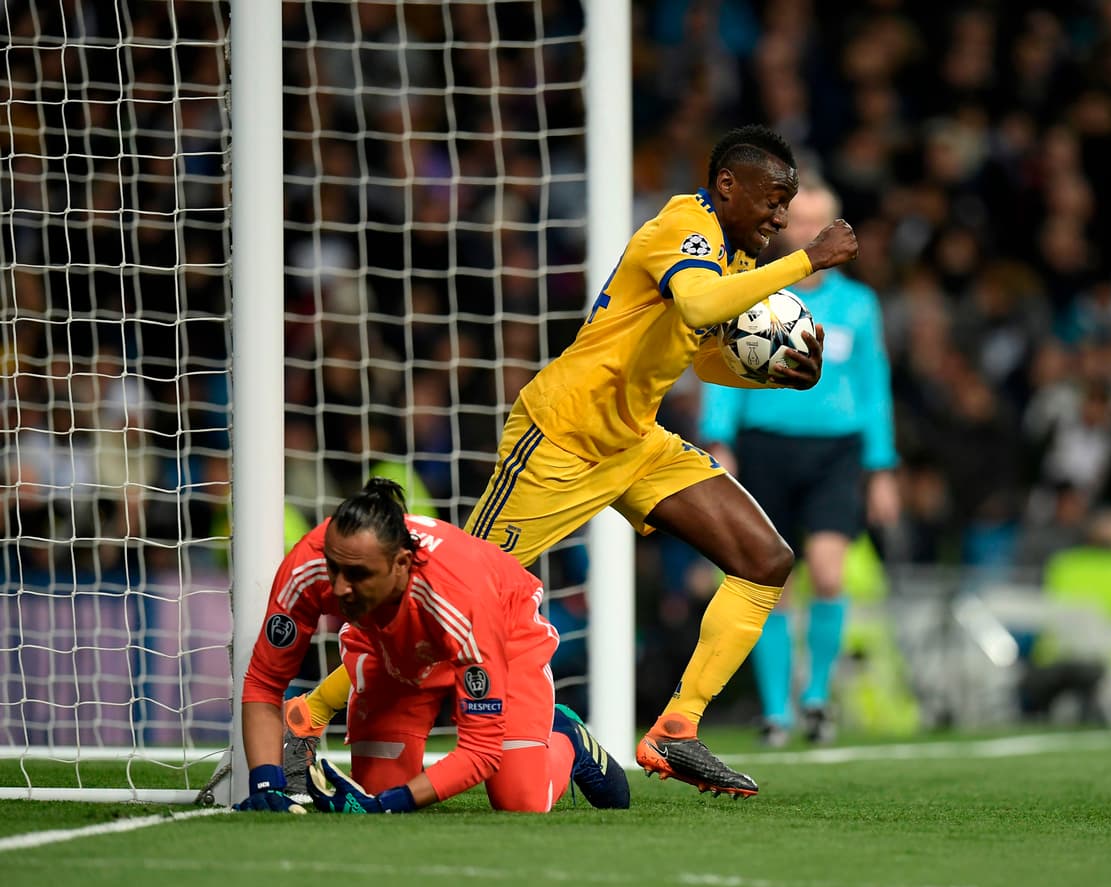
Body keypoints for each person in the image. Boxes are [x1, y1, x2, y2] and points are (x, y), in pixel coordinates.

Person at [284, 124, 861, 798]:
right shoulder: (686, 225)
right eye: (773, 200)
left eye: (787, 206)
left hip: (634, 441)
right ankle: (309, 712)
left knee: (765, 559)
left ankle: (676, 728)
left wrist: (777, 375)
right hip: (561, 437)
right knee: (450, 600)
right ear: (727, 186)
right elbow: (699, 302)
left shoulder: (732, 257)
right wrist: (807, 260)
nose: (780, 217)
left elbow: (701, 353)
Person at [233, 478, 629, 814]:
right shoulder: (310, 566)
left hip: (503, 634)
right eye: (333, 568)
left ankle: (568, 738)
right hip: (391, 650)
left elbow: (480, 750)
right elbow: (264, 682)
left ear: (402, 564)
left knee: (519, 800)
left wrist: (389, 804)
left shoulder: (461, 600)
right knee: (376, 785)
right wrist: (266, 785)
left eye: (356, 575)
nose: (337, 588)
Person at [698, 179, 899, 746]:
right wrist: (719, 439)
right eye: (800, 220)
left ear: (837, 228)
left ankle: (816, 698)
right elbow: (722, 367)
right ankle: (776, 711)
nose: (809, 230)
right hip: (765, 444)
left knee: (830, 574)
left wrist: (882, 468)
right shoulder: (756, 292)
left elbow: (874, 387)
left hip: (836, 451)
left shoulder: (859, 305)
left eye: (819, 221)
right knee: (772, 578)